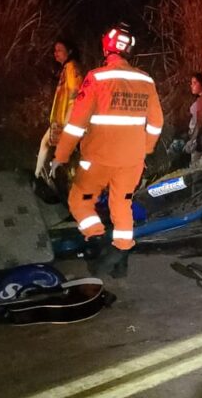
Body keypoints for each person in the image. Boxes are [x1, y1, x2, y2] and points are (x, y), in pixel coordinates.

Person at [49, 22, 164, 278]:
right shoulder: (146, 80)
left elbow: (76, 124)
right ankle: (120, 254)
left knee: (80, 200)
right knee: (122, 205)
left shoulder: (96, 78)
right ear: (129, 50)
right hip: (131, 161)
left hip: (98, 159)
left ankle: (99, 242)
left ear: (106, 48)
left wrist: (61, 156)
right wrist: (143, 149)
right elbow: (157, 123)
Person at [35, 40, 85, 182]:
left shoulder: (71, 67)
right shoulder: (68, 68)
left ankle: (39, 177)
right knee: (57, 149)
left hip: (66, 119)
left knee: (46, 144)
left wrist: (68, 119)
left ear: (69, 51)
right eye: (55, 50)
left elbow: (75, 93)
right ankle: (50, 177)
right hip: (64, 119)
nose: (55, 53)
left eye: (59, 50)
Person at [184, 72, 202, 163]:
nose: (192, 86)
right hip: (195, 137)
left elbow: (200, 123)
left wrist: (192, 140)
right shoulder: (199, 99)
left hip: (198, 140)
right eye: (191, 83)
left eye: (195, 83)